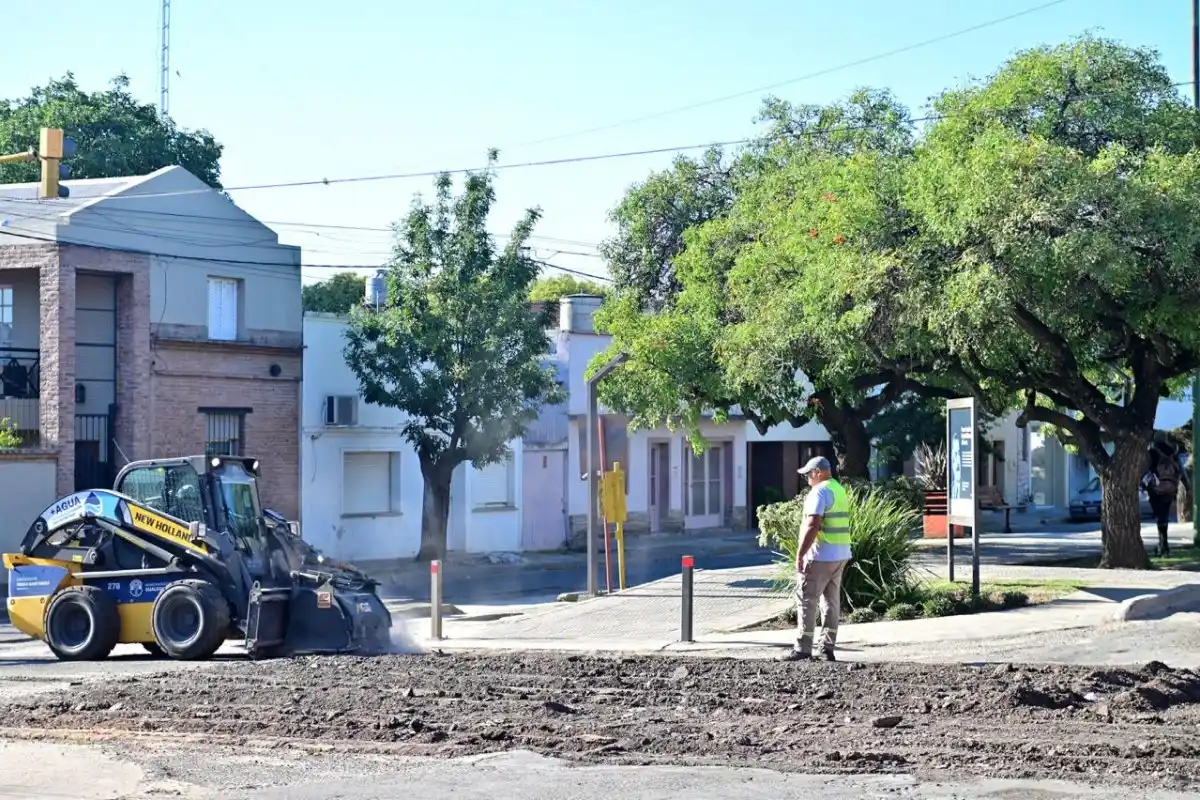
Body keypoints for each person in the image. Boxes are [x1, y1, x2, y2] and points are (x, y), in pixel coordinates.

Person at [779, 456, 853, 662]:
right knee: (831, 602)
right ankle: (826, 648)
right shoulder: (838, 489)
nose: (807, 479)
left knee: (806, 599)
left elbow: (812, 525)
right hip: (840, 554)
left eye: (808, 474)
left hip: (820, 555)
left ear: (818, 472)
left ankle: (803, 648)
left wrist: (800, 554)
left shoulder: (819, 491)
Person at [1143, 432, 1189, 557]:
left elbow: (1145, 470)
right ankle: (1163, 546)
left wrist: (1143, 485)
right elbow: (1180, 470)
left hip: (1156, 488)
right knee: (1164, 516)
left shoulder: (1152, 452)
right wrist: (1186, 485)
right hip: (1171, 487)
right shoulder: (1174, 451)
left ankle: (1163, 546)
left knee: (1160, 516)